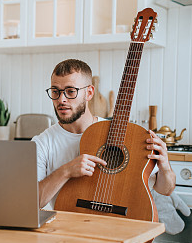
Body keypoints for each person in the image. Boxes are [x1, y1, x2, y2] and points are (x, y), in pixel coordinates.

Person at [32, 59, 176, 210]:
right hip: (69, 227)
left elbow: (166, 190)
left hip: (122, 224)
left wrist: (165, 166)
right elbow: (31, 203)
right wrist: (66, 171)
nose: (61, 99)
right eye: (55, 91)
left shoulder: (124, 136)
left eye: (70, 91)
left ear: (89, 93)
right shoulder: (41, 143)